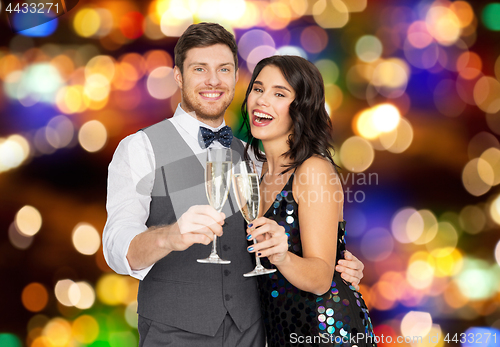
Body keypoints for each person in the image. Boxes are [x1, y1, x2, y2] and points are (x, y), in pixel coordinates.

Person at [103, 22, 364, 347]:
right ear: (179, 76)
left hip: (255, 335)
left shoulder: (253, 158)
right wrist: (170, 236)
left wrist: (338, 265)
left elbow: (302, 233)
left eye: (224, 69)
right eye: (200, 69)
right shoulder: (139, 148)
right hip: (173, 337)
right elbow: (117, 247)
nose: (213, 80)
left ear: (234, 78)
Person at [240, 55, 376, 347]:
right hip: (279, 332)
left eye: (279, 93)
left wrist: (281, 256)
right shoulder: (253, 171)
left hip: (326, 329)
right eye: (258, 88)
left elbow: (320, 278)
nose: (262, 100)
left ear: (301, 107)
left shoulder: (313, 169)